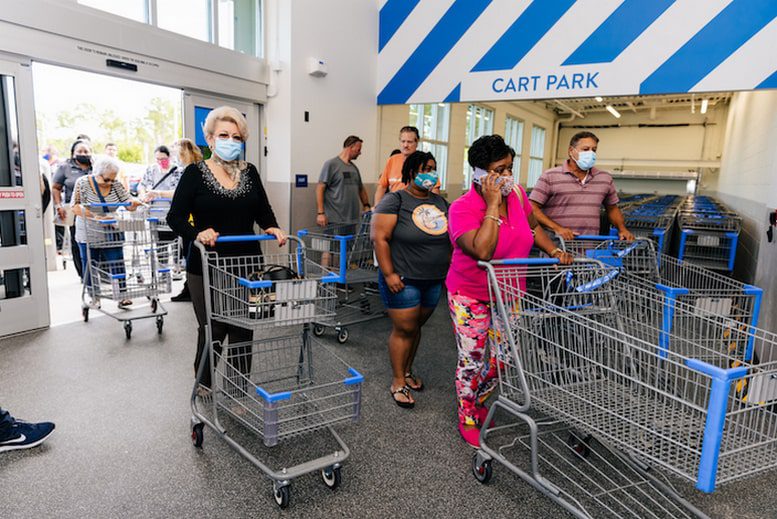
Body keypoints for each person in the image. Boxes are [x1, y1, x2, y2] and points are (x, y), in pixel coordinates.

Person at [446, 135, 573, 447]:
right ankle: (468, 413)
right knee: (472, 359)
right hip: (470, 294)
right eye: (499, 170)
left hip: (509, 292)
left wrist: (554, 251)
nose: (507, 177)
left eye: (509, 168)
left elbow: (533, 228)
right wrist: (491, 204)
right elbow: (483, 251)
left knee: (505, 359)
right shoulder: (461, 209)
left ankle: (477, 394)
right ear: (479, 174)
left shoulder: (516, 194)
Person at [167, 106, 287, 390]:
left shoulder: (250, 171)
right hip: (206, 265)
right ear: (210, 139)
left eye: (236, 137)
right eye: (223, 135)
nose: (230, 141)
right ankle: (204, 384)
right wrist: (198, 232)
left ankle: (237, 388)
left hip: (247, 265)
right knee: (214, 328)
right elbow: (174, 217)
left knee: (244, 327)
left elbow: (263, 210)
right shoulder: (194, 174)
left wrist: (272, 226)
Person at [372, 150, 451, 409]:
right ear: (411, 172)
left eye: (433, 167)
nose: (430, 173)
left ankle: (406, 371)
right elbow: (380, 239)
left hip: (433, 278)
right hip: (403, 278)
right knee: (404, 329)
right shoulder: (394, 200)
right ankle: (397, 381)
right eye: (424, 169)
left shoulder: (441, 203)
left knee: (416, 327)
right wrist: (389, 274)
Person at [529, 131, 634, 241]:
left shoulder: (604, 178)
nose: (591, 153)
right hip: (557, 245)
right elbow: (532, 208)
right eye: (585, 149)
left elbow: (612, 208)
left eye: (594, 150)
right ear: (571, 151)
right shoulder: (550, 176)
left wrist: (622, 229)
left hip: (589, 246)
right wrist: (557, 228)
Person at [70, 157, 141, 308]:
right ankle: (94, 296)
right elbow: (75, 207)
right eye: (107, 179)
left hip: (111, 229)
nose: (110, 182)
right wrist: (96, 216)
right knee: (90, 264)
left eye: (113, 179)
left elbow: (127, 201)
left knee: (117, 262)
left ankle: (122, 295)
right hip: (89, 229)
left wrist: (133, 203)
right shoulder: (82, 183)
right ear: (97, 173)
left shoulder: (115, 184)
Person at [52, 140, 93, 279]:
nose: (83, 154)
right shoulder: (65, 167)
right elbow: (56, 187)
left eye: (86, 151)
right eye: (80, 151)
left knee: (96, 241)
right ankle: (84, 274)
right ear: (73, 153)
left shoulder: (96, 166)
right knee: (78, 242)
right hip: (74, 210)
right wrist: (58, 206)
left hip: (95, 210)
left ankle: (98, 272)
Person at [169, 138, 204, 303]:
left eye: (176, 151)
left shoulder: (193, 170)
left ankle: (191, 288)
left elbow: (180, 195)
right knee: (188, 254)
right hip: (188, 221)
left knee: (191, 256)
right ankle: (189, 288)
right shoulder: (190, 169)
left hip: (192, 222)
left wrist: (158, 194)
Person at [316, 135, 370, 229]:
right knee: (335, 244)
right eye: (358, 150)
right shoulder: (331, 165)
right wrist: (321, 213)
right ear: (350, 147)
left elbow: (361, 188)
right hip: (334, 221)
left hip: (352, 221)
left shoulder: (354, 168)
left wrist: (366, 205)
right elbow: (320, 188)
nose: (360, 153)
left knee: (350, 244)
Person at [374, 126, 439, 205]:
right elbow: (382, 187)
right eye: (403, 141)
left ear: (416, 142)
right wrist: (377, 207)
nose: (405, 145)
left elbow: (435, 189)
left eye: (409, 142)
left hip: (417, 208)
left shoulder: (425, 161)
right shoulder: (392, 160)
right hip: (395, 206)